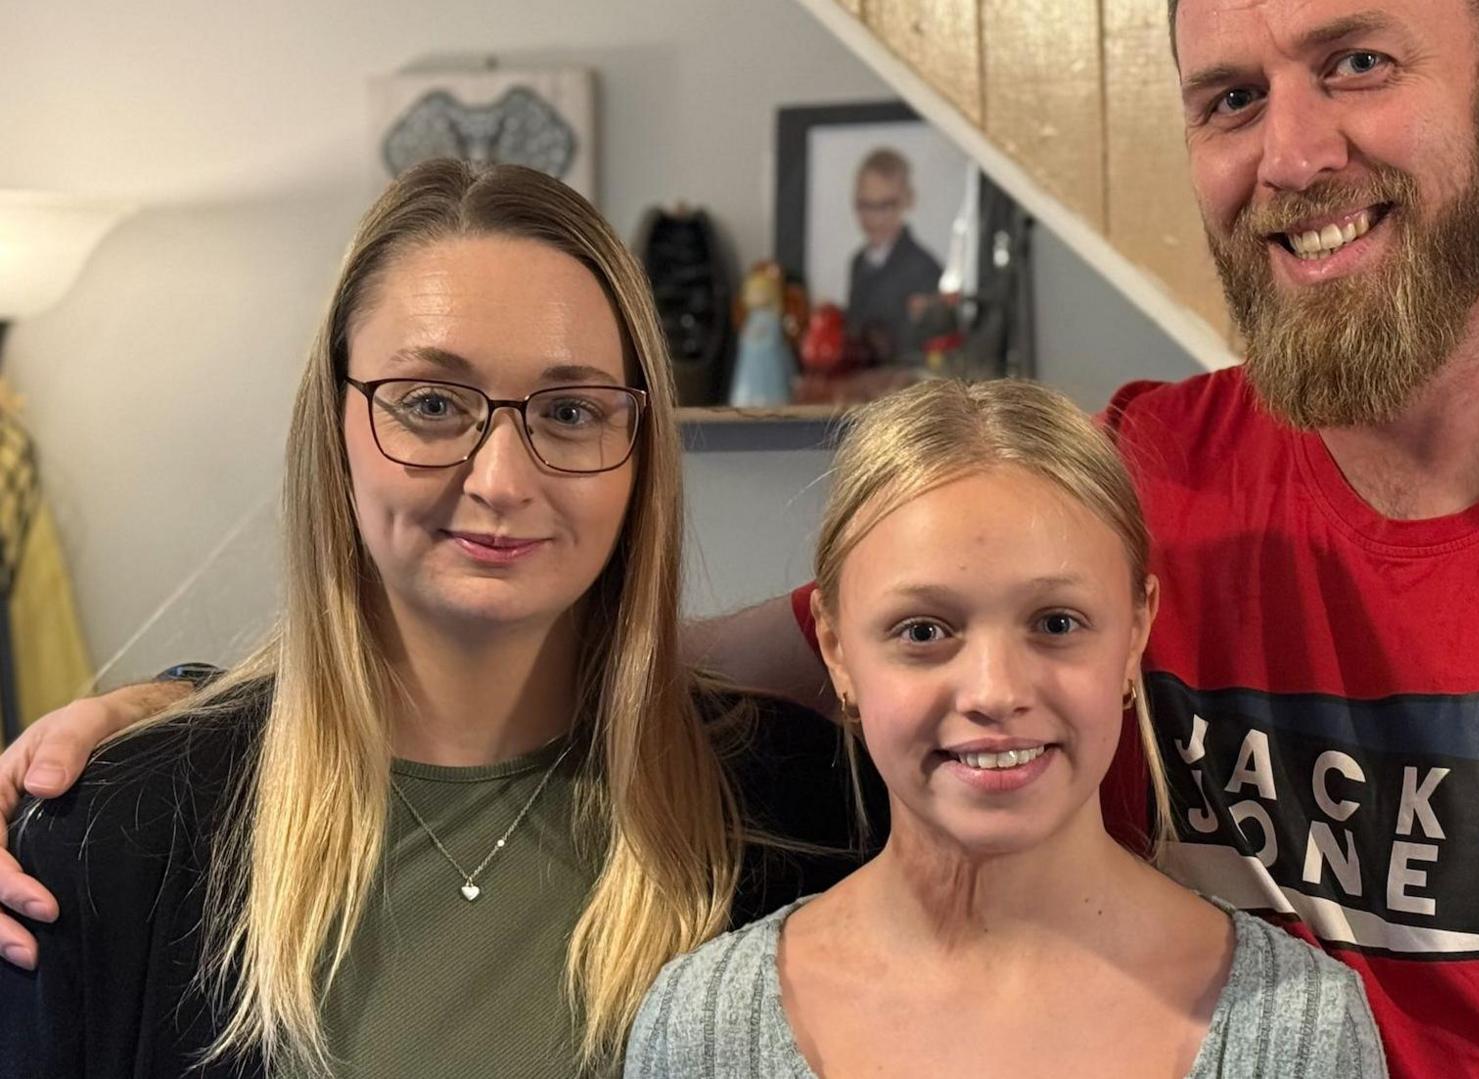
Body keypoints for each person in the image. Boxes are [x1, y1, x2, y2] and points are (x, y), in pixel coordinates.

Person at [11, 1, 1479, 1074]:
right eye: (1231, 97)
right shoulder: (1150, 465)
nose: (1294, 148)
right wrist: (207, 711)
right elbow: (711, 630)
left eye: (1360, 60)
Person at [0, 160, 873, 1078]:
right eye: (429, 404)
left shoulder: (802, 811)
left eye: (571, 410)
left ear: (639, 451)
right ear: (331, 427)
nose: (500, 479)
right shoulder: (116, 830)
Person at [626, 378, 1385, 1078]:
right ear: (835, 647)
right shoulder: (706, 1026)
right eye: (924, 631)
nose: (994, 691)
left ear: (1133, 634)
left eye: (1056, 622)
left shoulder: (1302, 1031)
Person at [843, 147, 944, 364]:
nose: (874, 218)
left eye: (885, 206)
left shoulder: (923, 267)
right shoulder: (858, 263)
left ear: (907, 200)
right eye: (865, 205)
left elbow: (929, 344)